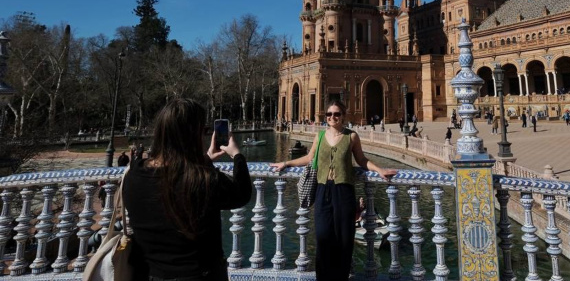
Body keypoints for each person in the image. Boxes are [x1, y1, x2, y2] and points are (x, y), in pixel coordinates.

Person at [123, 99, 252, 280]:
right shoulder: (204, 180)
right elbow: (242, 193)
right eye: (204, 131)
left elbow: (173, 177)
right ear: (193, 135)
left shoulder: (133, 174)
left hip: (150, 274)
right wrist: (237, 155)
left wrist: (206, 158)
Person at [270, 102, 396, 280]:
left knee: (344, 240)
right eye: (328, 114)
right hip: (322, 190)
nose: (332, 117)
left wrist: (379, 170)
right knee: (322, 237)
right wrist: (286, 163)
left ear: (343, 115)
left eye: (336, 114)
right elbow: (309, 157)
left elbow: (361, 160)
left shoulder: (351, 136)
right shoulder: (319, 136)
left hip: (344, 191)